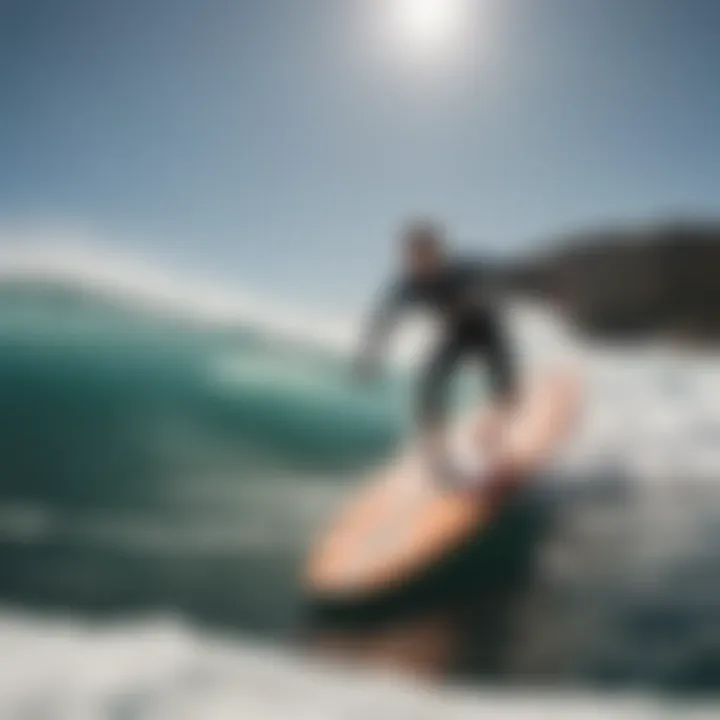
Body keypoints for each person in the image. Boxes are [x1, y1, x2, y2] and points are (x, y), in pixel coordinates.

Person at [354, 219, 518, 486]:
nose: (420, 261)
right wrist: (369, 357)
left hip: (489, 332)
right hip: (455, 336)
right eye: (413, 255)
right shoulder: (407, 285)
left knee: (507, 394)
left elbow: (510, 278)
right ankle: (439, 460)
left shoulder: (466, 269)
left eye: (426, 252)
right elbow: (383, 322)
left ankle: (489, 436)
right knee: (427, 390)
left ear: (439, 251)